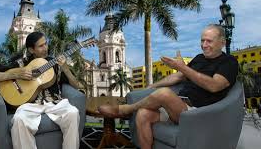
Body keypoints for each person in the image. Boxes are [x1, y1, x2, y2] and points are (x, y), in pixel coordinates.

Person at [98, 24, 238, 149]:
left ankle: (127, 110)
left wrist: (182, 68)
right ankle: (133, 112)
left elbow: (214, 86)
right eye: (202, 40)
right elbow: (178, 76)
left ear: (223, 42)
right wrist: (152, 86)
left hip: (199, 112)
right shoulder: (199, 58)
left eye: (209, 41)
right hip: (178, 107)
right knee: (143, 115)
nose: (204, 45)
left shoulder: (229, 62)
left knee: (164, 94)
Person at [0, 31, 82, 149]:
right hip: (30, 105)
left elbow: (76, 85)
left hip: (55, 103)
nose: (46, 48)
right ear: (31, 50)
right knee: (19, 120)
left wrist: (65, 68)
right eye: (41, 46)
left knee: (73, 113)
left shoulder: (55, 62)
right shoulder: (21, 63)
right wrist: (16, 74)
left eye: (46, 44)